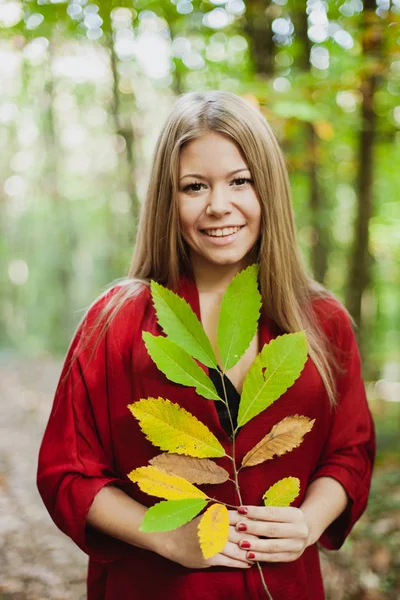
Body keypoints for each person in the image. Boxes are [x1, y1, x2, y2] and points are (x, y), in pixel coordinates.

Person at [37, 90, 375, 600]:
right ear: (166, 200)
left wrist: (307, 521)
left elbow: (349, 453)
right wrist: (167, 536)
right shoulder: (116, 323)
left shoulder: (323, 323)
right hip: (154, 588)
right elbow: (67, 473)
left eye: (240, 181)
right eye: (194, 186)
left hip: (283, 587)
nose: (219, 205)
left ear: (269, 190)